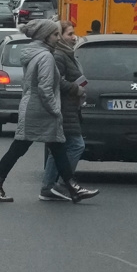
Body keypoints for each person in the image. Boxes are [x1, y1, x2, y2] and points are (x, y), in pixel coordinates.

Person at [0, 19, 83, 203]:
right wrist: (56, 110)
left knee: (57, 147)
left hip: (33, 107)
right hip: (39, 110)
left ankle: (73, 187)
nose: (57, 38)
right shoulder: (45, 56)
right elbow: (45, 88)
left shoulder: (35, 53)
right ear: (46, 36)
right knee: (20, 148)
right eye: (54, 35)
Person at [41, 21, 99, 202]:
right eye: (69, 34)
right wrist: (75, 89)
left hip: (70, 107)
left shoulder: (68, 54)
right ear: (59, 37)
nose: (74, 37)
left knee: (59, 148)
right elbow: (55, 81)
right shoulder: (59, 55)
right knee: (76, 145)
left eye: (74, 34)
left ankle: (49, 186)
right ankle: (59, 184)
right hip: (64, 107)